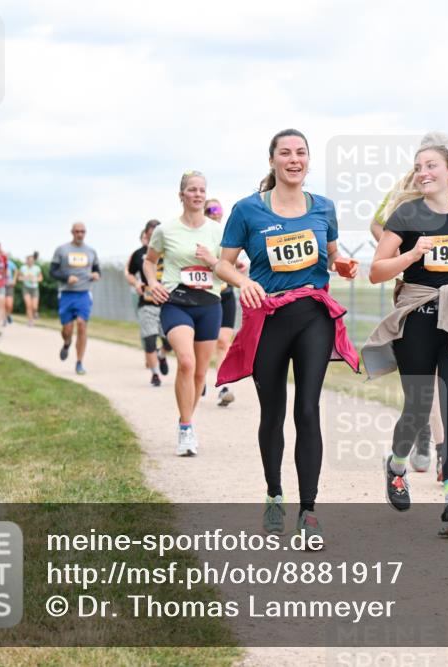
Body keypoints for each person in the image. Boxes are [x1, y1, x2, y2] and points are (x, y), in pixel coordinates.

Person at [215, 129, 360, 543]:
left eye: (301, 153)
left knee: (308, 409)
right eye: (285, 153)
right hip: (268, 318)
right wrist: (241, 281)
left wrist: (343, 265)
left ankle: (309, 510)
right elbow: (224, 264)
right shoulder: (248, 210)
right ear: (273, 161)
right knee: (273, 412)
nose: (294, 159)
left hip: (313, 314)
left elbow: (331, 256)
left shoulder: (324, 208)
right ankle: (274, 493)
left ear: (308, 161)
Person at [362, 140, 448, 536]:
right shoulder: (405, 215)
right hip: (418, 318)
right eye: (419, 166)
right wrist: (412, 254)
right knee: (418, 410)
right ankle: (397, 466)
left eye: (432, 165)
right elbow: (376, 271)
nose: (423, 172)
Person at [144, 172, 224, 454]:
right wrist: (153, 283)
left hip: (209, 305)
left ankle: (186, 419)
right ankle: (186, 429)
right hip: (176, 301)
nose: (198, 194)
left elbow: (226, 266)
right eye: (192, 190)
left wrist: (212, 260)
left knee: (201, 374)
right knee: (187, 363)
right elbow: (150, 261)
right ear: (182, 195)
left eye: (202, 190)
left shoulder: (217, 231)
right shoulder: (166, 230)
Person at [207, 197, 245, 407]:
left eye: (218, 209)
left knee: (223, 342)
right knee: (203, 346)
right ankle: (198, 377)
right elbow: (205, 258)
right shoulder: (199, 235)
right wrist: (219, 264)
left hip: (226, 294)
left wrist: (235, 266)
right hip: (203, 296)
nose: (215, 212)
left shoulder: (225, 236)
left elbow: (228, 260)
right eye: (211, 209)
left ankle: (224, 386)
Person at [126, 221, 172, 386]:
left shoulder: (170, 251)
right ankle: (155, 374)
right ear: (146, 235)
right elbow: (130, 273)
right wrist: (136, 283)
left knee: (170, 341)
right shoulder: (139, 254)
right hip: (147, 302)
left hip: (168, 303)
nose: (154, 238)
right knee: (150, 339)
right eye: (151, 235)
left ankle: (162, 354)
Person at [50, 222, 100, 375]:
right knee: (67, 329)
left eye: (83, 232)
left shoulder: (91, 251)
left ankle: (79, 362)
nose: (80, 234)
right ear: (72, 232)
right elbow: (52, 272)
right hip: (66, 294)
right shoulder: (62, 250)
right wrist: (66, 278)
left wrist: (96, 275)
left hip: (83, 293)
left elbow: (97, 270)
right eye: (77, 231)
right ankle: (66, 343)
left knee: (82, 324)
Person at [17, 255, 42, 325]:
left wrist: (35, 279)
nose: (30, 262)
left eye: (32, 260)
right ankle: (30, 321)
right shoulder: (23, 268)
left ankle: (35, 312)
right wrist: (25, 278)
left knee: (34, 306)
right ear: (27, 261)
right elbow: (19, 278)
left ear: (34, 261)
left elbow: (40, 278)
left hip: (35, 288)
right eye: (29, 260)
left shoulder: (37, 268)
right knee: (28, 305)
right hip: (26, 288)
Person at [5, 255, 17, 325]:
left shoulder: (10, 263)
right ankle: (4, 319)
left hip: (9, 285)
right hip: (1, 285)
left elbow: (16, 270)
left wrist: (14, 280)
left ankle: (8, 315)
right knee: (3, 303)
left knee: (9, 304)